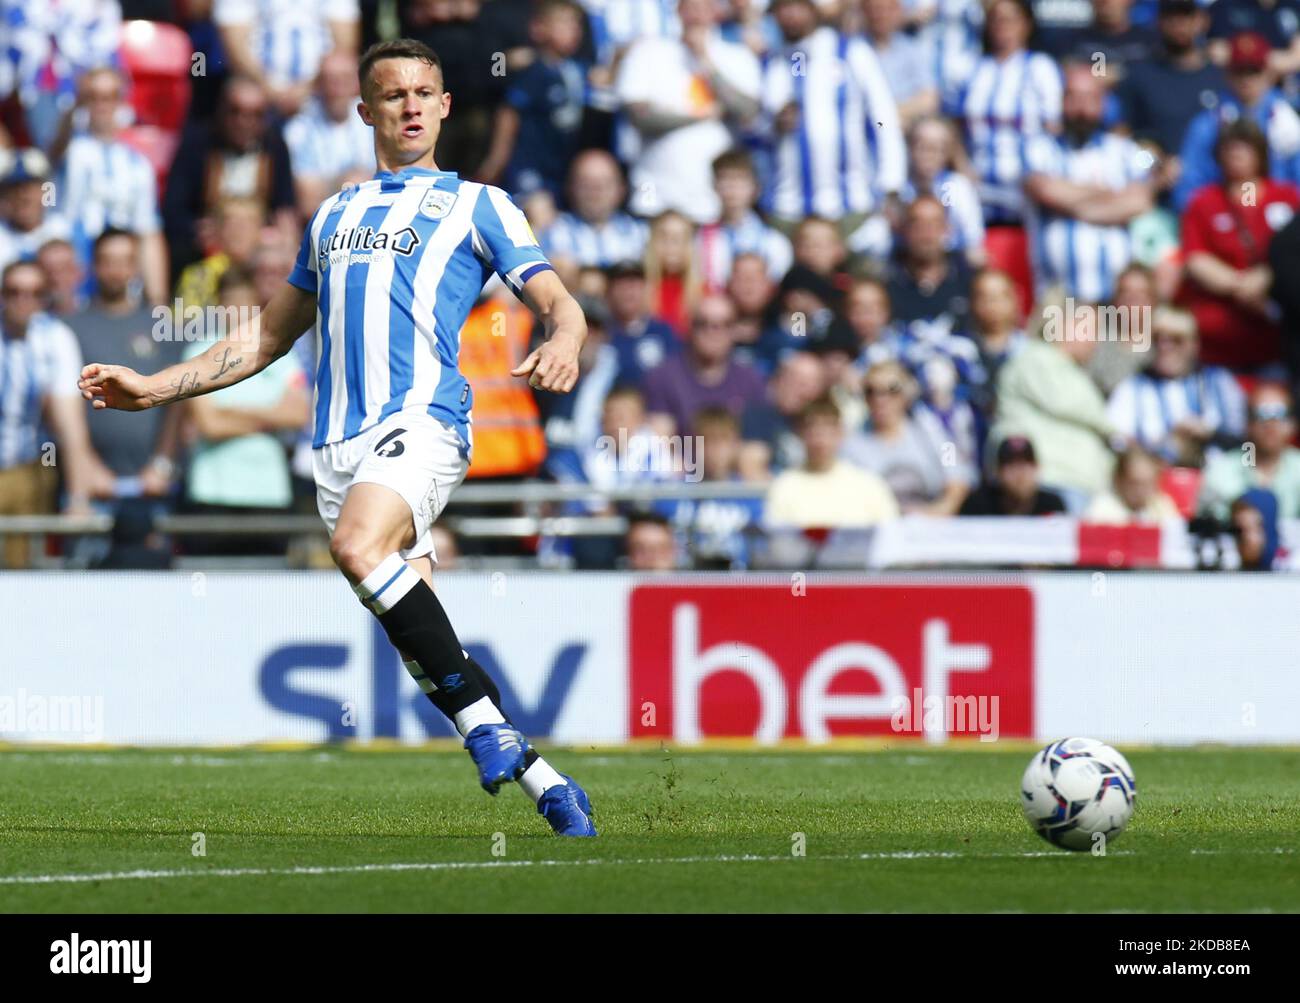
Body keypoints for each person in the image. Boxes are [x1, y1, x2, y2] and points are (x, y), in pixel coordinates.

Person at [79, 39, 597, 837]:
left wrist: (563, 338)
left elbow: (559, 301)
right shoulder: (334, 215)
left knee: (358, 548)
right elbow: (265, 338)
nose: (412, 106)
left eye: (425, 91)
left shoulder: (480, 205)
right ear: (366, 112)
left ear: (447, 104)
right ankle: (545, 781)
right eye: (393, 95)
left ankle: (493, 733)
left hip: (424, 421)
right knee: (426, 644)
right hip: (338, 450)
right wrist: (153, 388)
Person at [762, 0, 905, 246]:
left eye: (797, 6)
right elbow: (754, 131)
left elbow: (883, 120)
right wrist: (774, 124)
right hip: (787, 209)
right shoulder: (771, 62)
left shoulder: (849, 52)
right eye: (782, 7)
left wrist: (891, 183)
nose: (790, 15)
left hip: (849, 208)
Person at [1021, 61, 1155, 304]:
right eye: (1074, 98)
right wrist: (1109, 195)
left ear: (1103, 103)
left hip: (1116, 301)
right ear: (1061, 101)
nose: (1082, 108)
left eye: (1090, 98)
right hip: (1057, 298)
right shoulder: (1039, 148)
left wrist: (1070, 203)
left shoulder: (1125, 151)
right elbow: (1045, 190)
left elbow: (1139, 202)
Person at [615, 0, 762, 223]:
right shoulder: (647, 52)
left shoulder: (737, 56)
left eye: (704, 8)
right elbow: (639, 118)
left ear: (716, 12)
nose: (697, 16)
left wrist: (706, 63)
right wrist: (699, 116)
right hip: (654, 194)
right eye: (690, 8)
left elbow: (747, 110)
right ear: (678, 12)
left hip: (712, 200)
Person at [1178, 118, 1300, 372]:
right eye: (1229, 147)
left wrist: (1267, 277)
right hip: (1220, 340)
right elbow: (1195, 257)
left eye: (1244, 146)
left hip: (1277, 334)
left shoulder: (1287, 197)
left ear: (1260, 152)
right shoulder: (1204, 202)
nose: (1236, 153)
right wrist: (1241, 285)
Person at [47, 67, 169, 304]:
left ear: (120, 101)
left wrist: (157, 301)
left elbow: (148, 231)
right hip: (75, 272)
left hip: (120, 275)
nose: (101, 105)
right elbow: (52, 151)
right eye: (92, 97)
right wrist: (74, 107)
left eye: (109, 97)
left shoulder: (138, 164)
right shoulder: (70, 150)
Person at [953, 0, 1062, 225]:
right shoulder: (970, 68)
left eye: (1010, 19)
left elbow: (1055, 127)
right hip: (978, 184)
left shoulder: (1040, 68)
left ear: (1026, 24)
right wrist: (962, 165)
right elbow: (954, 126)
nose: (1002, 26)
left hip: (1028, 186)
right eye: (996, 19)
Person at [475, 0, 590, 199]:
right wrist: (496, 160)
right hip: (529, 166)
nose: (573, 30)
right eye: (564, 23)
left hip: (563, 165)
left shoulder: (577, 69)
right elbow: (492, 72)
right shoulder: (531, 67)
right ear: (539, 28)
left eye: (576, 24)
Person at [1174, 31, 1300, 211]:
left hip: (1279, 214)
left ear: (1268, 73)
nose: (1247, 80)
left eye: (1254, 71)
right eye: (1240, 71)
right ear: (1228, 74)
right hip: (1223, 216)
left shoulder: (1288, 119)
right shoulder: (1208, 124)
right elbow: (1188, 188)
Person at [1105, 305, 1246, 466]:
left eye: (1176, 339)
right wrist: (1167, 443)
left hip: (1217, 479)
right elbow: (1117, 442)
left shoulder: (1219, 382)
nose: (1165, 347)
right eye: (1158, 339)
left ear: (1194, 344)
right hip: (1157, 480)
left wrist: (1208, 433)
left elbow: (1244, 440)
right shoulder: (1132, 388)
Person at [842, 359, 974, 514]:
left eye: (892, 390)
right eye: (871, 391)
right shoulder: (850, 444)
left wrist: (939, 511)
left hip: (927, 526)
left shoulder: (934, 434)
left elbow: (958, 474)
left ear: (906, 394)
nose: (880, 399)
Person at [765, 395, 900, 528]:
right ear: (801, 434)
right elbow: (777, 541)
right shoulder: (784, 486)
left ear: (840, 433)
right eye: (813, 431)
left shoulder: (869, 484)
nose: (820, 440)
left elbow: (890, 535)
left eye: (827, 431)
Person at [643, 293, 766, 435]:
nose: (712, 332)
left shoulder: (750, 381)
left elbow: (756, 447)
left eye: (722, 325)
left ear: (734, 331)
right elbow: (661, 444)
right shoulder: (662, 378)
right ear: (690, 327)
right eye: (702, 323)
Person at [283, 51, 377, 219]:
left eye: (345, 79)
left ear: (357, 83)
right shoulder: (299, 128)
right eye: (331, 80)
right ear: (318, 85)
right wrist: (349, 183)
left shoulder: (375, 119)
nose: (338, 88)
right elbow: (307, 201)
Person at [1199, 383, 1300, 519]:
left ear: (1293, 424)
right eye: (1260, 415)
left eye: (1280, 414)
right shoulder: (1220, 471)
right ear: (1247, 423)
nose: (1270, 424)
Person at [959, 435, 1067, 515]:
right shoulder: (978, 505)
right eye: (1012, 466)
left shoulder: (1052, 506)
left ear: (1037, 468)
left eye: (1025, 465)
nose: (1019, 475)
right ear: (998, 472)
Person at [1085, 444, 1183, 523]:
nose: (1140, 491)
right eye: (1135, 483)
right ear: (1118, 481)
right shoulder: (1101, 509)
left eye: (1147, 484)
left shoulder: (1162, 506)